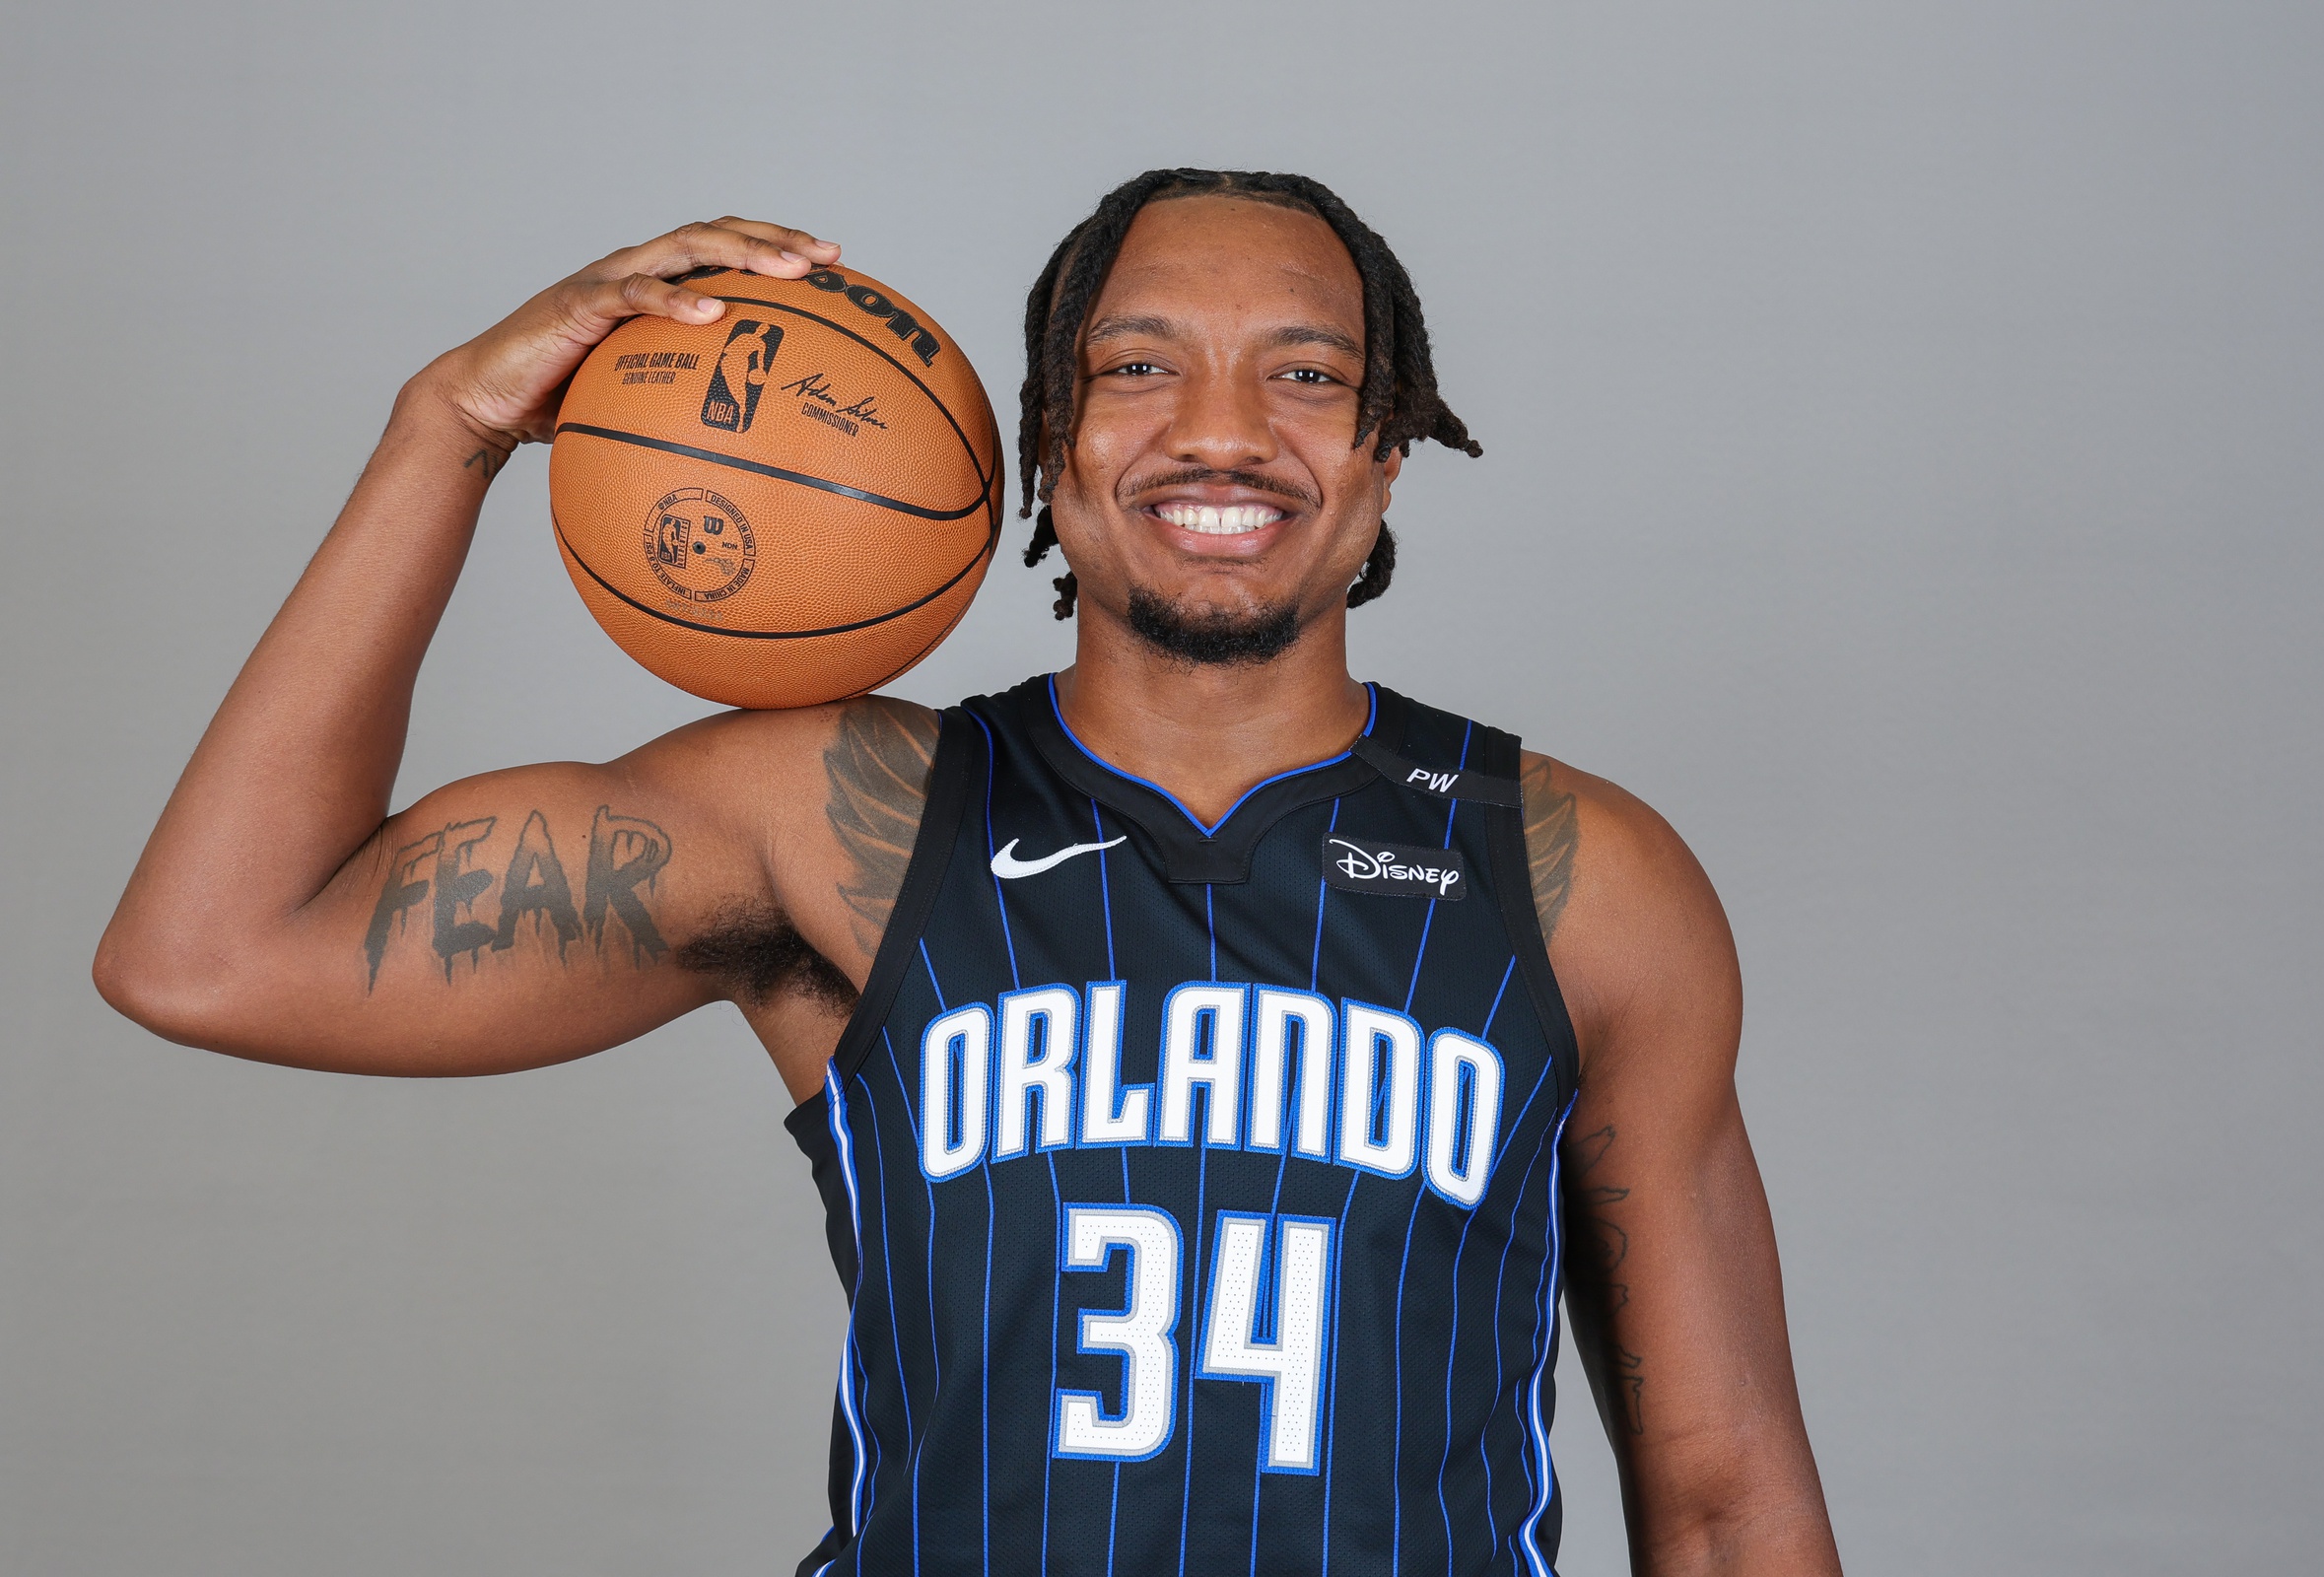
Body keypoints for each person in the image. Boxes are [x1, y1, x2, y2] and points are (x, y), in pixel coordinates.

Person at [96, 168, 1843, 1575]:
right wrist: (448, 430)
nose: (1221, 431)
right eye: (1138, 366)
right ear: (1044, 443)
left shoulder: (1575, 876)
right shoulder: (840, 817)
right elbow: (217, 952)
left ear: (1387, 455)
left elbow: (1726, 1505)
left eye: (1307, 374)